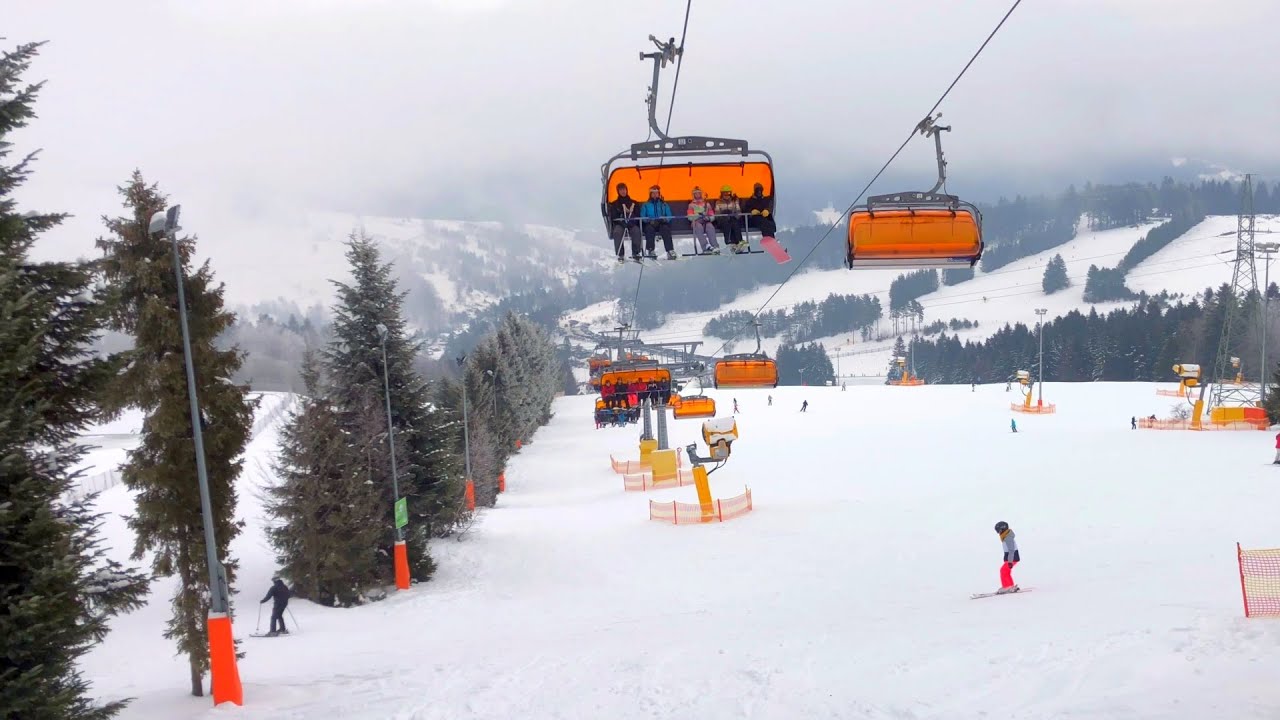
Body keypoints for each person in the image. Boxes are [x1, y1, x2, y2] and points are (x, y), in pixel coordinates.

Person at [640, 185, 677, 260]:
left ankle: (670, 250)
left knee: (665, 229)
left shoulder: (663, 204)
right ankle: (650, 250)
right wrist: (649, 220)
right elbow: (642, 216)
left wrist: (664, 219)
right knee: (649, 230)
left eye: (656, 193)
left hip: (661, 223)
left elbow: (669, 215)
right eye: (653, 193)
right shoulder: (646, 205)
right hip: (651, 223)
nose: (655, 195)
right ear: (650, 194)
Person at [608, 183, 642, 262]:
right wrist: (622, 222)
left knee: (636, 231)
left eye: (624, 189)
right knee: (617, 232)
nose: (623, 191)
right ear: (618, 191)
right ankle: (620, 254)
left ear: (626, 190)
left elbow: (637, 214)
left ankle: (636, 253)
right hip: (620, 224)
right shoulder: (615, 204)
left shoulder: (634, 203)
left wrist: (632, 222)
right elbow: (614, 216)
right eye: (620, 190)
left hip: (631, 223)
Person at [687, 187, 719, 254]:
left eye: (699, 193)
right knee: (698, 227)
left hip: (705, 221)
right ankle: (706, 247)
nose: (697, 195)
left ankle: (715, 246)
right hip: (696, 221)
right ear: (693, 195)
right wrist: (697, 215)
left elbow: (712, 215)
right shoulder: (691, 205)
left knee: (710, 227)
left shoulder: (706, 204)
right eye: (696, 193)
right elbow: (689, 217)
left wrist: (709, 218)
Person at [713, 185, 745, 252]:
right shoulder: (718, 202)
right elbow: (717, 214)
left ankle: (739, 241)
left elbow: (738, 211)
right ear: (721, 194)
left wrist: (734, 215)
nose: (726, 195)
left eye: (728, 193)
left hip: (733, 219)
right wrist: (724, 216)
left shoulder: (734, 201)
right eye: (724, 193)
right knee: (727, 223)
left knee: (734, 223)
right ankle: (730, 242)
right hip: (722, 220)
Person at [994, 521, 1020, 594]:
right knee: (1006, 571)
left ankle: (1007, 586)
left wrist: (1010, 561)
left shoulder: (1008, 538)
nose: (998, 533)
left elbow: (1011, 550)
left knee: (1003, 570)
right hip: (1011, 557)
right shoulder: (1006, 536)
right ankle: (1010, 586)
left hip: (1012, 557)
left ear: (1002, 529)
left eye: (998, 531)